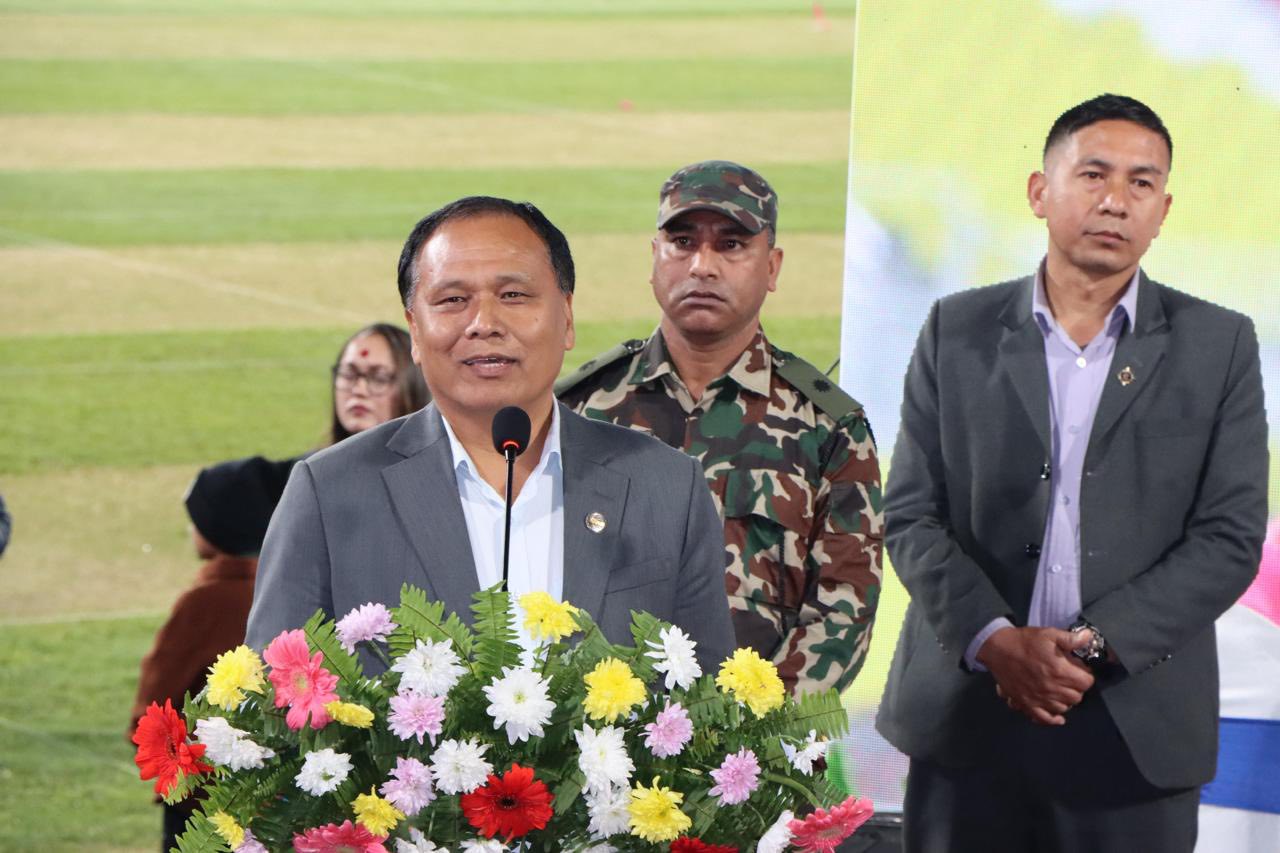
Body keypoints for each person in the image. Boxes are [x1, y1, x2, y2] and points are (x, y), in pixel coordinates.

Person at [876, 94, 1268, 852]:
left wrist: (1085, 646)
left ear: (1162, 211)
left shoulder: (1218, 344)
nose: (1116, 199)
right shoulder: (956, 329)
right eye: (1093, 174)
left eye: (1142, 183)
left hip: (1133, 727)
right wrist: (997, 641)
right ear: (1039, 191)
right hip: (968, 721)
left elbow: (1228, 537)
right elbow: (913, 514)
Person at [246, 196, 735, 672]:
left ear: (566, 317)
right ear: (414, 330)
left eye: (513, 295)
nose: (484, 324)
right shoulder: (331, 491)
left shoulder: (666, 488)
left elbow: (709, 705)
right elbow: (275, 698)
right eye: (453, 300)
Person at [557, 161, 882, 695]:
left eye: (731, 245)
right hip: (598, 727)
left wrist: (745, 728)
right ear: (654, 258)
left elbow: (842, 614)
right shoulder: (581, 409)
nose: (702, 266)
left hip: (755, 735)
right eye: (682, 242)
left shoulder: (828, 428)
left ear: (772, 267)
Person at [129, 456, 291, 852]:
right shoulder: (285, 586)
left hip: (203, 807)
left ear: (220, 527)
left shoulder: (206, 603)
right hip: (283, 805)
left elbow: (151, 710)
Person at [328, 322, 430, 446]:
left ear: (412, 389)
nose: (359, 390)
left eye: (379, 378)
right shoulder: (313, 459)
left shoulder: (439, 458)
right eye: (348, 375)